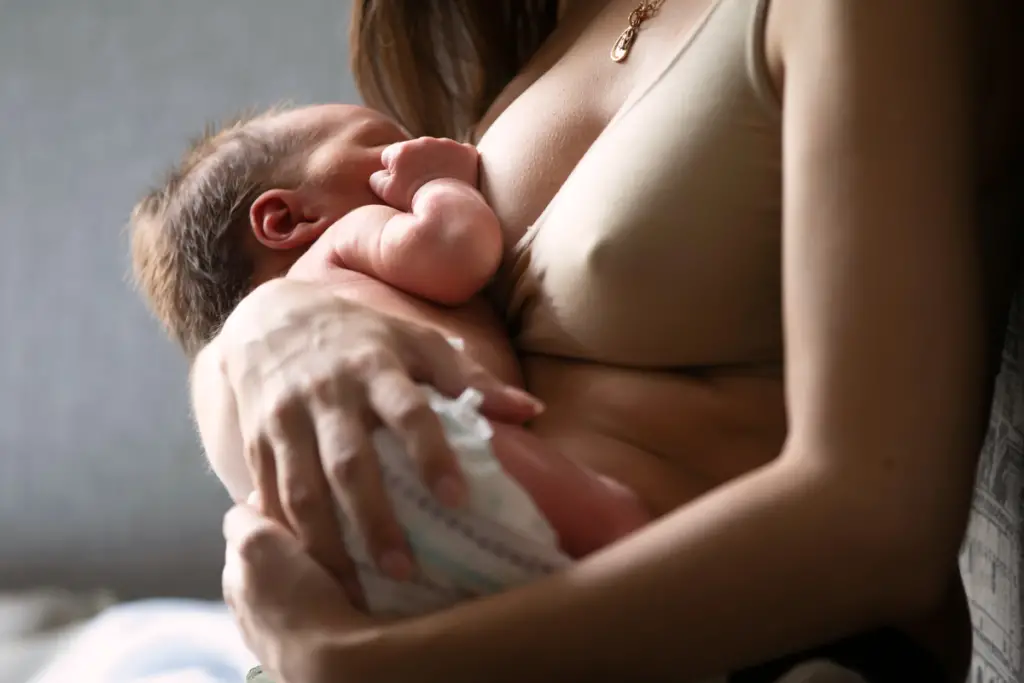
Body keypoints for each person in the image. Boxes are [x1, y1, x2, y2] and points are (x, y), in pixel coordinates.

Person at [201, 0, 1024, 681]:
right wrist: (266, 327)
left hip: (741, 653)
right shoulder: (553, 24)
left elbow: (881, 529)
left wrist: (373, 663)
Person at [129, 101, 651, 612]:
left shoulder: (247, 373)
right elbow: (457, 246)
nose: (417, 147)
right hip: (421, 436)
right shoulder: (343, 243)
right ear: (288, 218)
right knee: (621, 529)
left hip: (342, 538)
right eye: (384, 145)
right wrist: (438, 183)